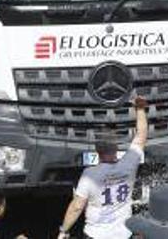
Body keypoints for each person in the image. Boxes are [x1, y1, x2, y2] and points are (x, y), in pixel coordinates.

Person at [58, 96, 149, 239]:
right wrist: (140, 109)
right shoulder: (129, 164)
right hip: (123, 234)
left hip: (96, 235)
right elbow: (142, 134)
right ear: (116, 147)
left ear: (97, 150)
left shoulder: (90, 175)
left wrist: (64, 230)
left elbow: (77, 207)